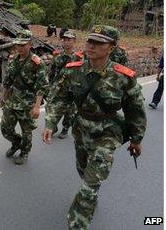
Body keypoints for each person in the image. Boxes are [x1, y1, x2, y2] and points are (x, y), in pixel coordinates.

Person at [42, 25, 146, 230]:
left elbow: (135, 111)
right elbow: (59, 98)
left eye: (99, 42)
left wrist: (136, 139)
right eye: (90, 41)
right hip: (81, 130)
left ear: (112, 47)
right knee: (83, 171)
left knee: (90, 185)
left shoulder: (123, 76)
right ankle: (89, 197)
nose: (91, 45)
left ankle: (78, 223)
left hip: (108, 133)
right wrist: (51, 123)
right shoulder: (73, 70)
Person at [1, 30, 48, 164]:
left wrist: (37, 107)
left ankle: (24, 152)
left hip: (28, 101)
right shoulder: (12, 60)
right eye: (17, 45)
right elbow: (7, 80)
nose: (19, 48)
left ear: (30, 44)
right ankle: (16, 142)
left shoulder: (37, 62)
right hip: (12, 99)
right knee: (5, 128)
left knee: (26, 130)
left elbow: (42, 86)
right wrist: (2, 96)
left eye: (23, 45)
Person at [48, 31, 82, 139]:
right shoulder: (57, 55)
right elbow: (52, 71)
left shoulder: (78, 58)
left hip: (72, 89)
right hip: (58, 87)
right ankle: (52, 126)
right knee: (53, 107)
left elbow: (82, 74)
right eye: (65, 40)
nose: (66, 42)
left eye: (69, 40)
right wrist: (50, 84)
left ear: (74, 41)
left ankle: (65, 128)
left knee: (70, 111)